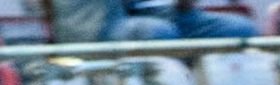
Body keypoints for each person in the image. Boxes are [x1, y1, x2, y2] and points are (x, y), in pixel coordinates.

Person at [101, 0, 255, 40]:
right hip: (107, 18)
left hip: (171, 13)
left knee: (241, 29)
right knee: (160, 32)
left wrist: (184, 5)